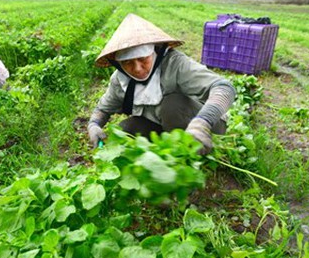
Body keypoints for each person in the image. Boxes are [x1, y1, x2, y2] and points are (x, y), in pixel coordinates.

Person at [87, 14, 236, 154]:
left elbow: (224, 87)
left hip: (204, 125)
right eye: (128, 63)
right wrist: (94, 125)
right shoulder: (120, 80)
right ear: (118, 64)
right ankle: (169, 150)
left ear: (154, 53)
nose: (137, 69)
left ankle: (188, 153)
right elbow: (103, 109)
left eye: (143, 59)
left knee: (171, 105)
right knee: (126, 129)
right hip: (164, 125)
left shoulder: (175, 64)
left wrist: (202, 123)